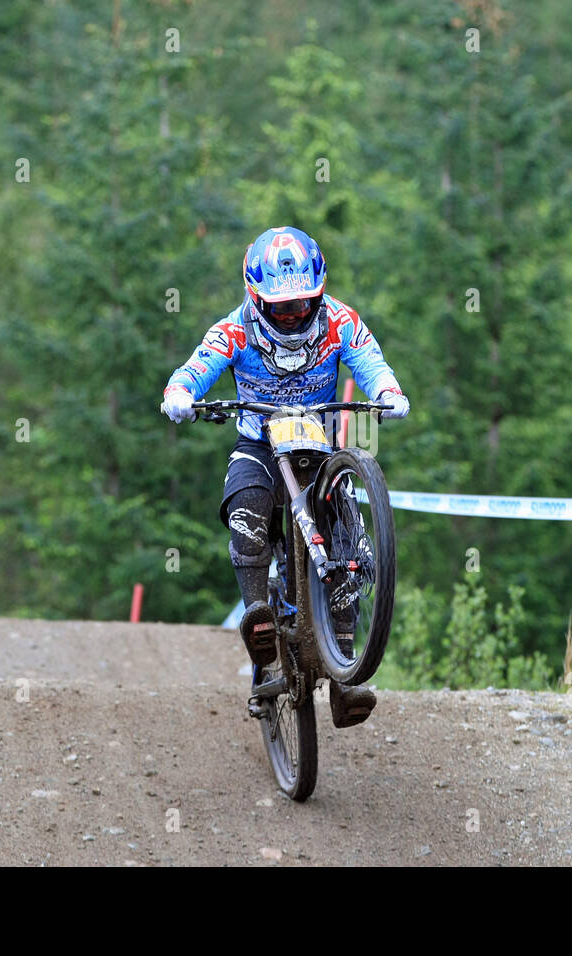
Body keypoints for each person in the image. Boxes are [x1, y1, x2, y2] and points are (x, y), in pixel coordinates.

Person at [161, 226, 409, 727]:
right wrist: (180, 395)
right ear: (256, 299)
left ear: (319, 292)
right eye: (282, 308)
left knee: (349, 548)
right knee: (246, 507)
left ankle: (348, 675)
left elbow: (372, 362)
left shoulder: (340, 321)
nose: (294, 316)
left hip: (318, 447)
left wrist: (387, 393)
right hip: (259, 441)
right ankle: (258, 615)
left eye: (303, 305)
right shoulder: (234, 330)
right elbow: (194, 369)